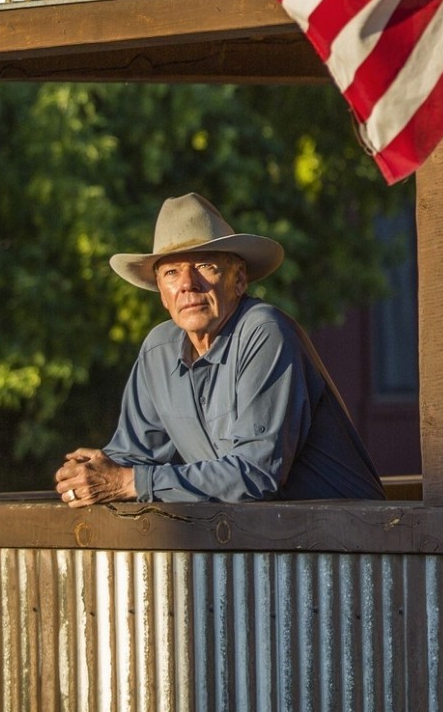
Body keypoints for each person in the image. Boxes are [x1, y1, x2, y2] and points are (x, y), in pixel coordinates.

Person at [54, 192, 386, 507]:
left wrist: (129, 483)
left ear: (239, 279)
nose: (187, 283)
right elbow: (134, 456)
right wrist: (89, 473)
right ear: (161, 292)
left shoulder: (264, 331)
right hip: (270, 548)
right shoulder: (159, 349)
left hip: (355, 547)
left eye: (204, 266)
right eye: (171, 272)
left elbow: (255, 476)